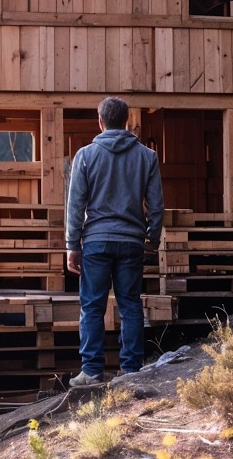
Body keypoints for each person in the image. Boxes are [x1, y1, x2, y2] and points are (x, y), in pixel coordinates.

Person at [65, 96, 164, 386]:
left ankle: (92, 371)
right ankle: (131, 370)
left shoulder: (85, 155)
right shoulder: (147, 156)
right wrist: (152, 239)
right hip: (132, 242)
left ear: (100, 121)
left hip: (95, 242)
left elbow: (75, 205)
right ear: (127, 122)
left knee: (93, 306)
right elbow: (156, 205)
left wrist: (73, 245)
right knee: (130, 304)